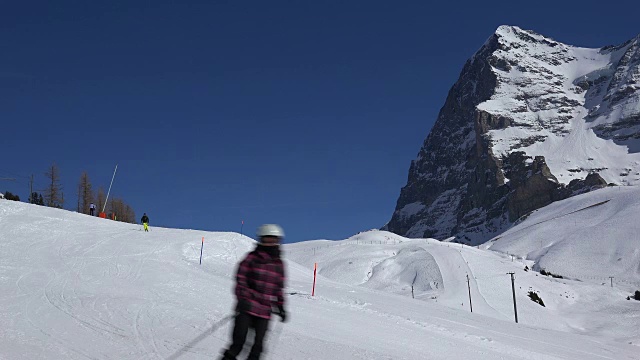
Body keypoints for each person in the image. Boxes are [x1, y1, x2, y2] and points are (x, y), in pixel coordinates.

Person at [220, 224, 287, 360]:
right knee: (238, 344)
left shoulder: (279, 264)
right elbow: (241, 279)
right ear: (261, 239)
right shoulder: (251, 258)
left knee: (258, 348)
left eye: (274, 240)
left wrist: (280, 306)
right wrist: (243, 298)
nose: (271, 243)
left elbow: (279, 288)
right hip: (247, 307)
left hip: (265, 311)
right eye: (267, 239)